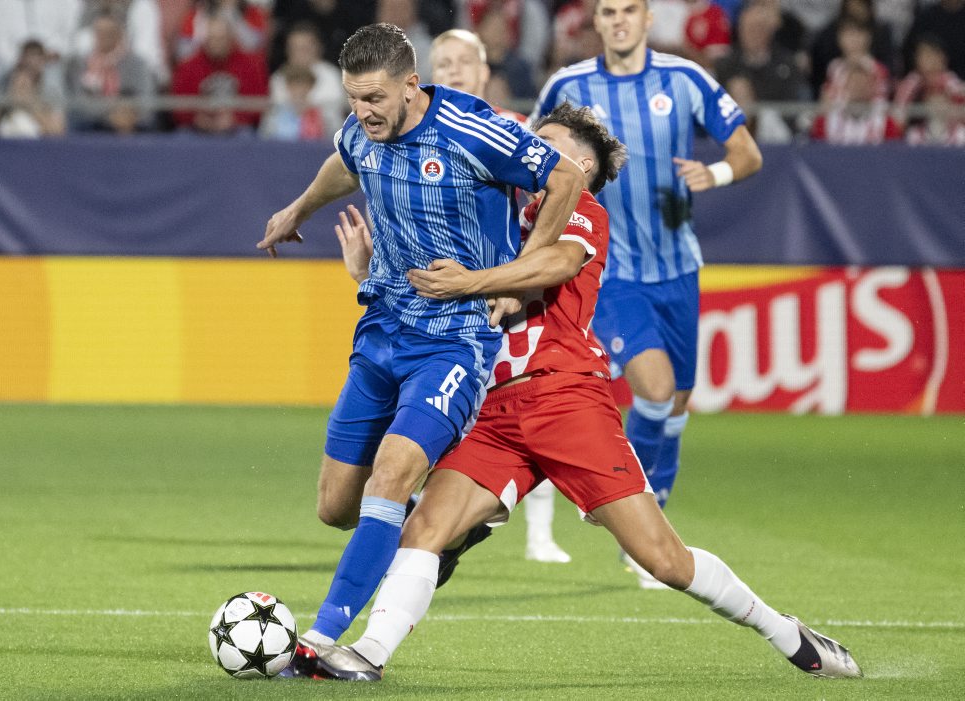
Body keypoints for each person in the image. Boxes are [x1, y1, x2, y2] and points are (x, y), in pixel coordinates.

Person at [289, 102, 863, 683]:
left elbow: (558, 263)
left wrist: (474, 281)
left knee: (663, 560)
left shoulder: (581, 209)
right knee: (425, 529)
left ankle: (786, 632)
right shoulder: (491, 211)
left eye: (547, 142)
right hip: (493, 409)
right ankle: (368, 656)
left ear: (580, 164)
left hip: (566, 400)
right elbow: (434, 294)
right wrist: (371, 275)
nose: (529, 148)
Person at [258, 22, 584, 653]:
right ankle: (435, 529)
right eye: (353, 97)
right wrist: (298, 210)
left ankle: (322, 639)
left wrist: (512, 278)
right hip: (380, 331)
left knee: (390, 478)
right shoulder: (361, 129)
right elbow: (346, 161)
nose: (362, 111)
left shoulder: (471, 129)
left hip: (455, 340)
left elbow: (566, 177)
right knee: (336, 507)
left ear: (412, 85)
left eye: (375, 98)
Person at [527, 0, 763, 587]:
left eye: (629, 9)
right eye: (608, 12)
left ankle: (654, 512)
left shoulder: (685, 80)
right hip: (609, 272)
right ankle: (632, 519)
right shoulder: (568, 84)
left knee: (677, 402)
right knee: (654, 391)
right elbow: (529, 157)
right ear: (597, 23)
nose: (619, 20)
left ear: (648, 18)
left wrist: (718, 174)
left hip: (678, 268)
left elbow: (748, 152)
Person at [429, 27, 570, 565]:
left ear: (485, 72)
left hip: (500, 298)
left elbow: (552, 205)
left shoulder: (510, 130)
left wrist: (521, 278)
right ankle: (447, 523)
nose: (456, 70)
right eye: (444, 63)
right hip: (445, 297)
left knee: (532, 409)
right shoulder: (415, 135)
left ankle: (537, 531)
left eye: (465, 61)